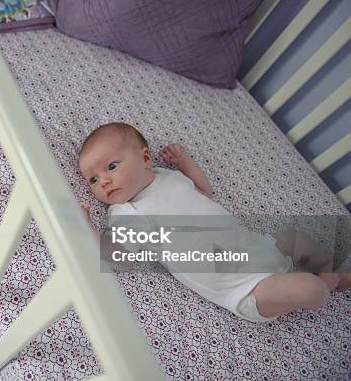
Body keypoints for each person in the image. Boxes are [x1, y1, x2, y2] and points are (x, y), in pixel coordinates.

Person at [78, 122, 350, 322]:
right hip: (244, 286)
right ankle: (323, 286)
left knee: (295, 238)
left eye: (112, 166)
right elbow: (116, 258)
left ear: (146, 158)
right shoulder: (128, 212)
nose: (103, 181)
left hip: (259, 248)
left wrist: (185, 162)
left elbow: (204, 191)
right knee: (309, 288)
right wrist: (87, 228)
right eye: (93, 179)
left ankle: (329, 270)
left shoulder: (167, 177)